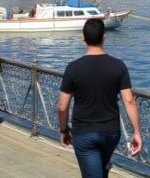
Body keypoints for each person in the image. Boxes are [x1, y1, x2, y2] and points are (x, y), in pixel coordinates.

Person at [57, 19, 142, 178]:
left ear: (83, 37)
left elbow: (62, 107)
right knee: (99, 171)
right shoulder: (118, 66)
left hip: (84, 132)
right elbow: (129, 101)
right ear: (104, 37)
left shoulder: (73, 68)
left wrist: (63, 130)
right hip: (111, 132)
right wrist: (136, 132)